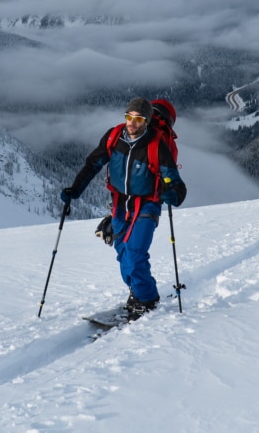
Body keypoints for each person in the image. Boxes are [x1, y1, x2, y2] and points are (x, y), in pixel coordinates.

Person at [61, 97, 186, 320]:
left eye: (138, 119)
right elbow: (93, 165)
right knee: (123, 252)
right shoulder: (114, 137)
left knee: (135, 253)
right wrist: (75, 190)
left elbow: (175, 182)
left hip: (147, 204)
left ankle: (147, 300)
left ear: (146, 121)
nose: (132, 123)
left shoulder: (157, 146)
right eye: (129, 117)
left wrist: (173, 194)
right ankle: (136, 290)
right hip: (120, 203)